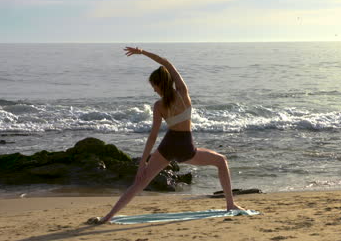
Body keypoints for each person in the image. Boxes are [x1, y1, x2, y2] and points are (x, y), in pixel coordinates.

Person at [94, 47, 243, 224]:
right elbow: (167, 63)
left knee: (139, 183)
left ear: (160, 84)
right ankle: (230, 204)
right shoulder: (183, 93)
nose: (153, 90)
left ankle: (108, 217)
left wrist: (142, 164)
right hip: (186, 148)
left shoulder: (158, 105)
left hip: (167, 146)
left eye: (154, 86)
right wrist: (142, 52)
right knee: (221, 161)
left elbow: (153, 136)